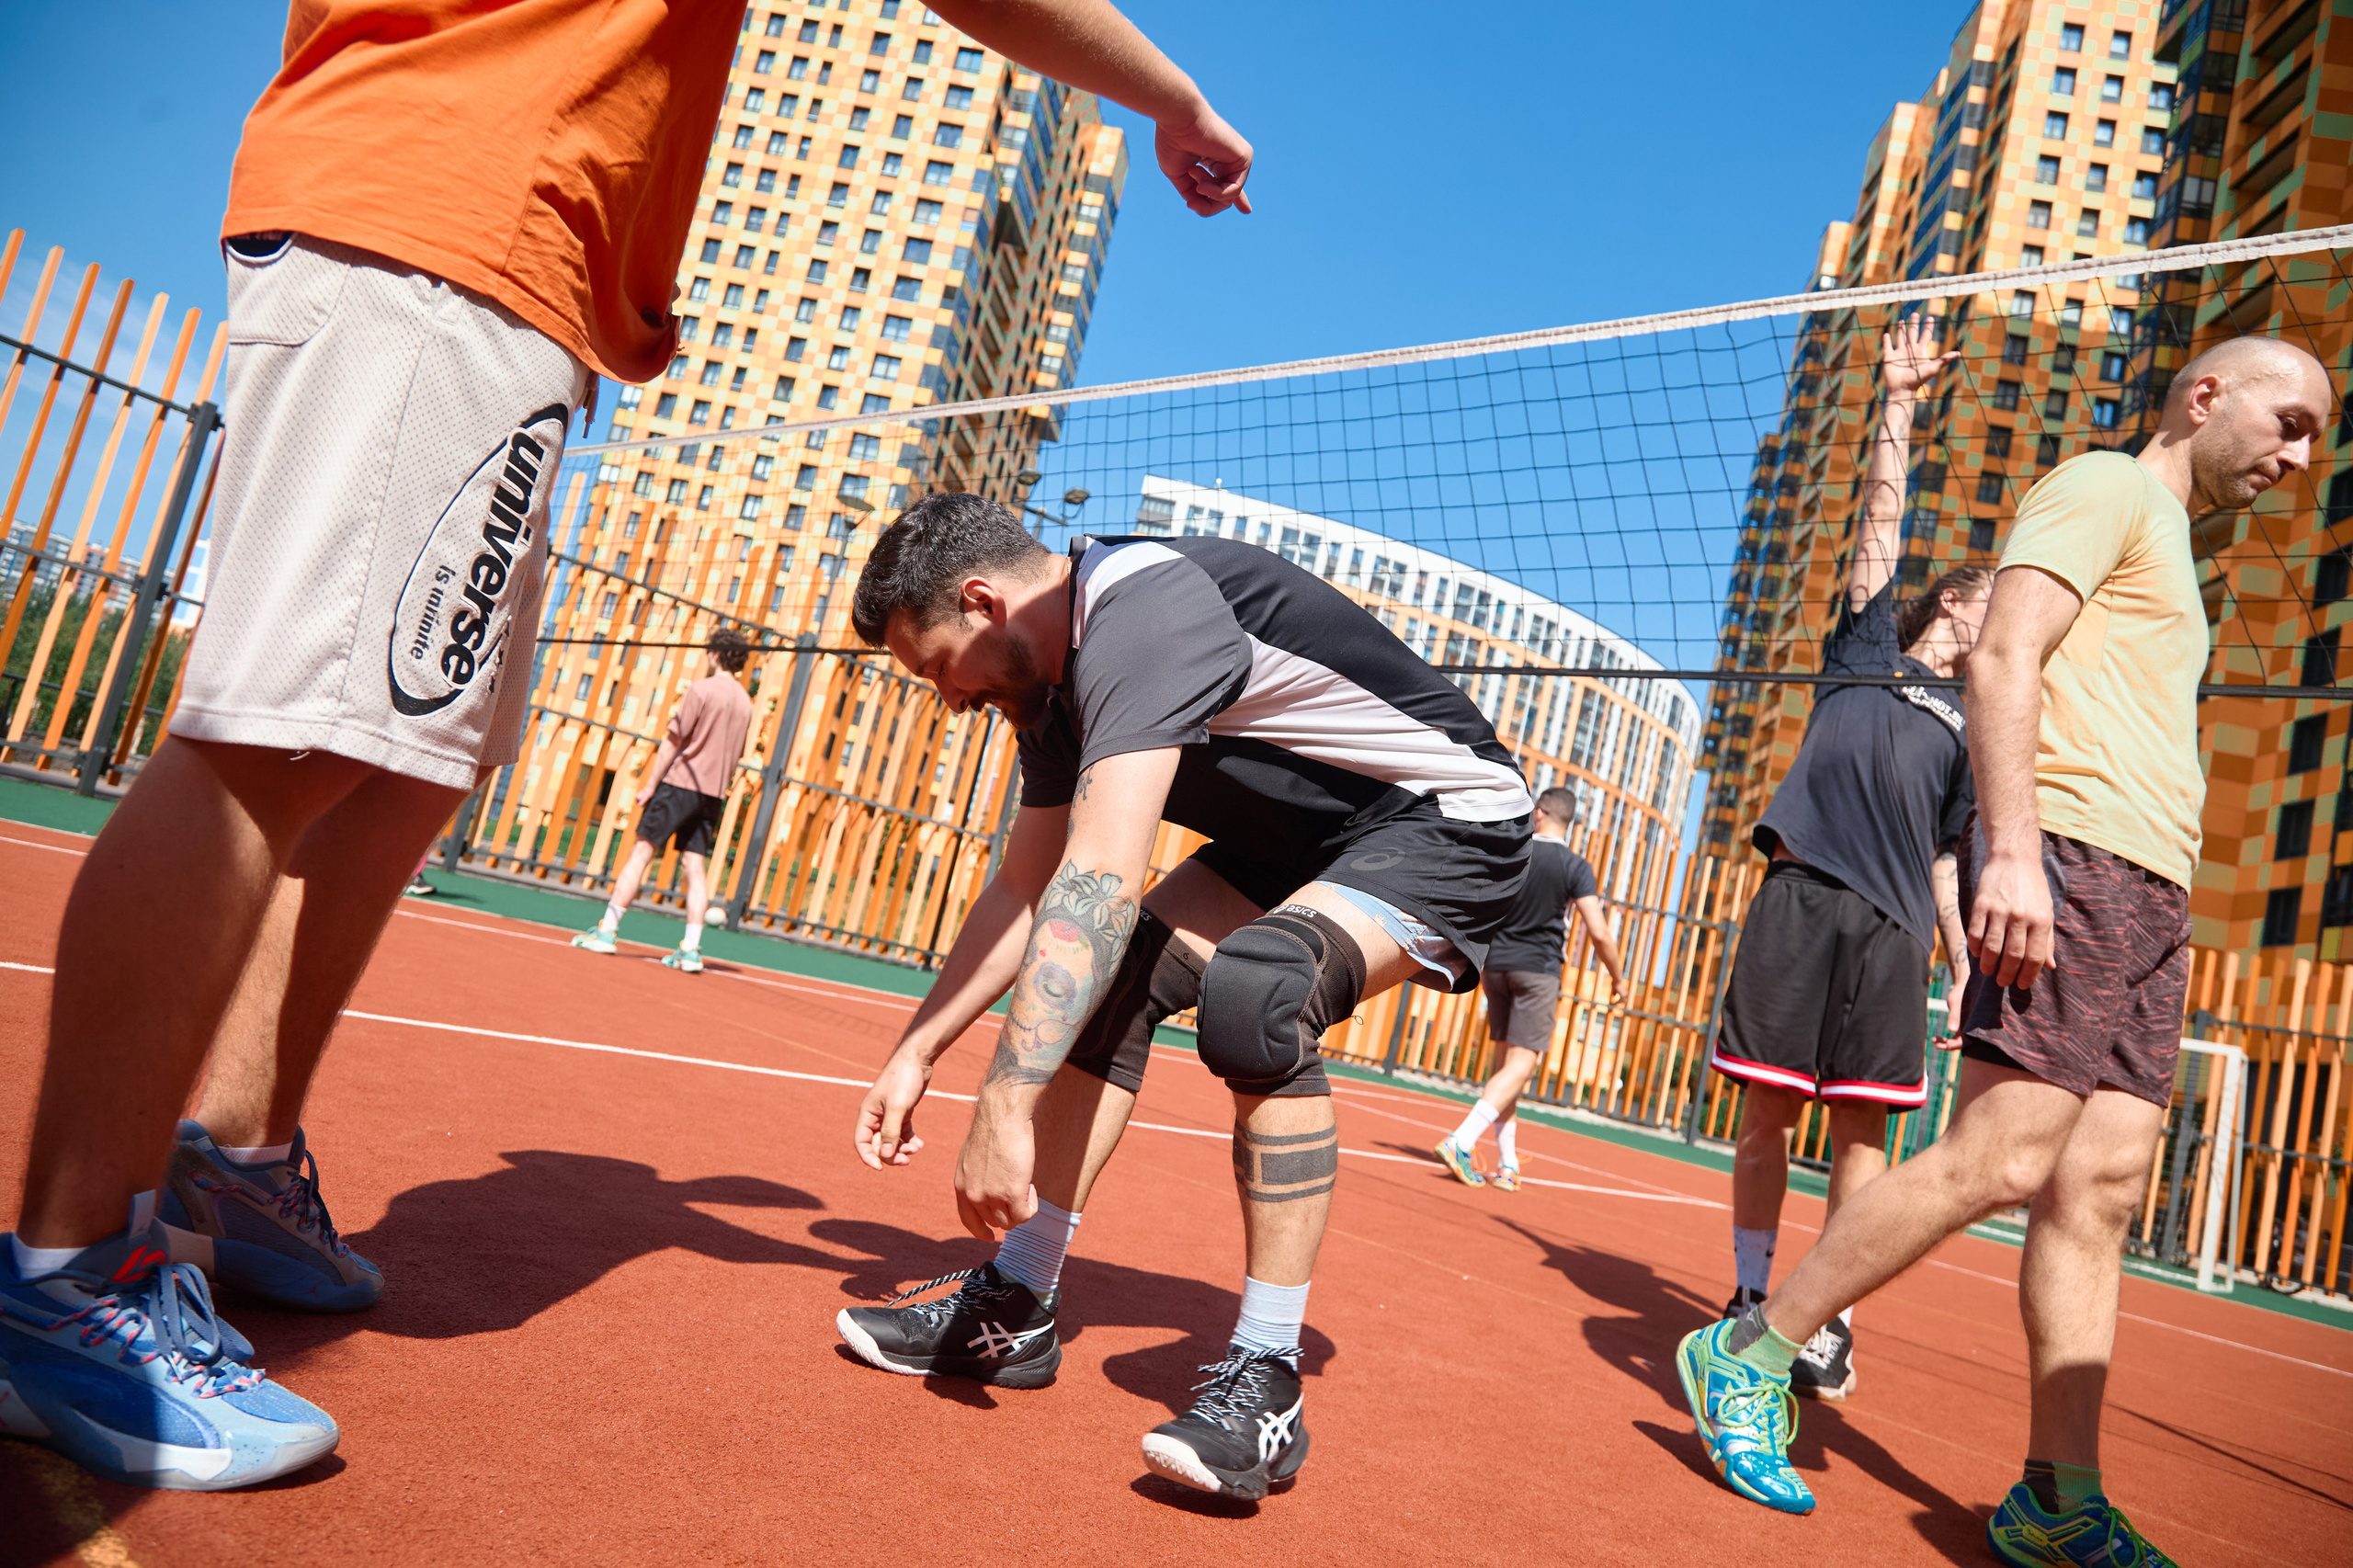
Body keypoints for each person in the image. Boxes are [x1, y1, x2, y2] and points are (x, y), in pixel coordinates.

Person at [0, 0, 1256, 1494]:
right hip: (451, 222)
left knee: (404, 760)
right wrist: (1170, 95)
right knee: (278, 741)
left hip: (517, 283)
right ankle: (71, 1275)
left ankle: (242, 1156)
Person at [1675, 335, 2331, 1564]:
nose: (2300, 458)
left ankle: (2057, 1497)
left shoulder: (2173, 546)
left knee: (2100, 1191)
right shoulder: (2106, 484)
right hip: (2072, 853)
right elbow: (2000, 651)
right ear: (2207, 396)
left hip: (2152, 888)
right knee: (2002, 1153)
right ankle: (1750, 1347)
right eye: (2289, 423)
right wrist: (2015, 852)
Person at [833, 494, 1531, 1501]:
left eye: (939, 666)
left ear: (984, 602)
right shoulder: (1048, 690)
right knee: (1107, 984)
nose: (947, 698)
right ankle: (1017, 1301)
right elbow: (1027, 887)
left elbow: (1099, 878)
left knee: (1259, 987)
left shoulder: (1144, 606)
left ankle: (1268, 1375)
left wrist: (1002, 1104)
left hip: (1445, 821)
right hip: (1288, 839)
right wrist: (918, 1047)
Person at [1702, 316, 1983, 1403]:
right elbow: (1878, 519)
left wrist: (1961, 962)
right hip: (1803, 891)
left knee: (1864, 1127)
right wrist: (1898, 402)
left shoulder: (1978, 724)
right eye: (2000, 597)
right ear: (1955, 598)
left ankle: (1827, 1319)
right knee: (1766, 1111)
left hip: (1895, 930)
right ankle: (1749, 1291)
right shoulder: (1866, 650)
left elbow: (1952, 857)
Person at [1434, 786, 1626, 1192]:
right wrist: (1618, 977)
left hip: (1495, 967)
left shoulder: (1515, 854)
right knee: (1523, 1065)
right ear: (1568, 821)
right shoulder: (1575, 866)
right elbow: (1599, 931)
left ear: (1538, 813)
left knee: (1507, 1068)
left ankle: (1507, 1164)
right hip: (1537, 970)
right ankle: (1461, 1140)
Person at [573, 628, 756, 972]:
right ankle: (691, 949)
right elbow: (737, 755)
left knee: (642, 852)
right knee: (694, 867)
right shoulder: (747, 704)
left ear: (715, 654)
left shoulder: (701, 690)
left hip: (679, 785)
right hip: (712, 795)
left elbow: (673, 741)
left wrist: (650, 785)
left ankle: (607, 931)